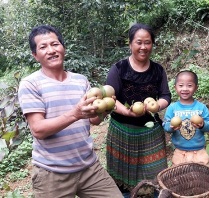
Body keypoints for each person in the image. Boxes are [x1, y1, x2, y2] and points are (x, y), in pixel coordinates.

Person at [17, 25, 122, 198]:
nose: (51, 50)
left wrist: (106, 109)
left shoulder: (80, 81)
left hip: (89, 168)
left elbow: (93, 120)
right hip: (52, 174)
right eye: (43, 47)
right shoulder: (30, 84)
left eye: (55, 44)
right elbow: (38, 130)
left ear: (63, 48)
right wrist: (75, 114)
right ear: (35, 55)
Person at [105, 23, 171, 196]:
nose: (143, 47)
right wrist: (127, 112)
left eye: (147, 42)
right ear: (130, 44)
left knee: (154, 177)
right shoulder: (119, 69)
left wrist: (158, 106)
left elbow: (166, 96)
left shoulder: (158, 70)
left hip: (151, 133)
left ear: (152, 44)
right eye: (139, 42)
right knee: (122, 178)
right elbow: (108, 98)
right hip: (122, 132)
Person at [162, 70, 209, 166]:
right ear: (175, 87)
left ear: (196, 88)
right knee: (180, 176)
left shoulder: (201, 107)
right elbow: (165, 125)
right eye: (181, 85)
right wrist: (171, 127)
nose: (185, 89)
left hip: (199, 151)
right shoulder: (172, 108)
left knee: (201, 175)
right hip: (179, 152)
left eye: (189, 85)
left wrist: (203, 125)